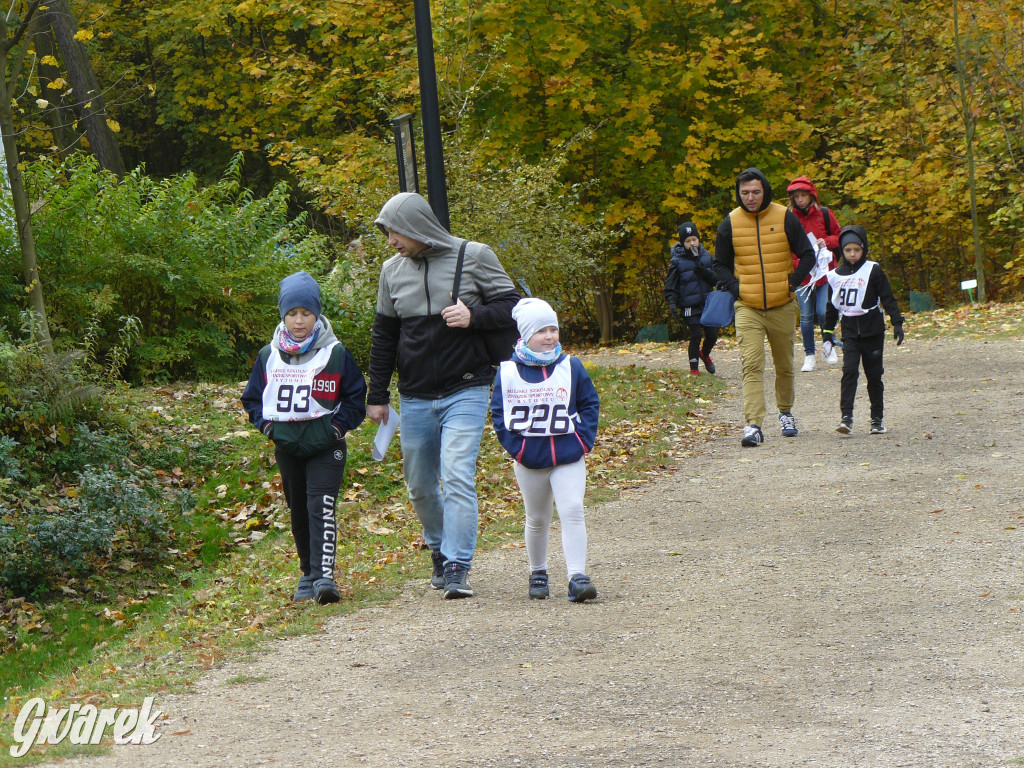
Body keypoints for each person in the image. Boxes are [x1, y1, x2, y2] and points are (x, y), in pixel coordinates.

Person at [366, 192, 519, 599]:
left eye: (395, 230)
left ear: (417, 225)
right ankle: (438, 548)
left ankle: (457, 565)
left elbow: (515, 307)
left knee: (455, 474)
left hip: (467, 386)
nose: (391, 240)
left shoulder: (475, 255)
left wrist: (474, 316)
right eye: (386, 232)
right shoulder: (390, 271)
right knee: (419, 484)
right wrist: (376, 394)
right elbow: (384, 335)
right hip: (414, 394)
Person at [241, 271, 367, 605]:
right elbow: (253, 400)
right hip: (288, 446)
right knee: (298, 510)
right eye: (292, 313)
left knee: (321, 505)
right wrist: (270, 430)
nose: (299, 321)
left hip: (326, 446)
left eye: (306, 314)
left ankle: (325, 577)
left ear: (317, 315)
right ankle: (308, 574)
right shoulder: (268, 355)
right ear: (283, 315)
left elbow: (356, 398)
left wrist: (336, 429)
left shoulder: (336, 353)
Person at [491, 298, 600, 602]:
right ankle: (538, 571)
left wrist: (582, 440)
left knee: (572, 509)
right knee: (537, 518)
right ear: (526, 335)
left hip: (568, 454)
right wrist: (518, 449)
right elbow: (499, 415)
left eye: (554, 329)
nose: (550, 336)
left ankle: (577, 576)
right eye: (542, 331)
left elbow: (589, 403)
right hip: (530, 457)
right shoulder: (509, 371)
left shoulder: (571, 366)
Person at [712, 168, 816, 447]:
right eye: (745, 192)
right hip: (748, 306)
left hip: (782, 304)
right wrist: (736, 287)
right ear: (739, 193)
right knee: (752, 365)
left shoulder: (784, 217)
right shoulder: (730, 222)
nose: (750, 197)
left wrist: (792, 282)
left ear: (765, 190)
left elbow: (807, 255)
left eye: (756, 192)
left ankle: (785, 413)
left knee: (784, 364)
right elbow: (718, 264)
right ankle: (753, 425)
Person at [822, 225, 905, 435]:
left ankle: (877, 418)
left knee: (874, 375)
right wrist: (827, 334)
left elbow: (887, 297)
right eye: (848, 250)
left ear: (863, 249)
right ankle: (846, 417)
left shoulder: (873, 271)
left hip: (872, 332)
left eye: (856, 250)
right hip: (850, 332)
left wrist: (897, 322)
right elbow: (831, 307)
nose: (852, 254)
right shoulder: (834, 276)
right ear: (842, 250)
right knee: (849, 372)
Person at [787, 176, 842, 372]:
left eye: (803, 195)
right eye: (796, 196)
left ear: (812, 196)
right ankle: (809, 355)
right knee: (807, 316)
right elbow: (785, 246)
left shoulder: (825, 214)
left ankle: (829, 345)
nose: (800, 199)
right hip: (802, 274)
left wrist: (826, 241)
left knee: (823, 311)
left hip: (825, 273)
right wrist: (795, 264)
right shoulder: (788, 217)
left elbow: (840, 236)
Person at [663, 221, 720, 375]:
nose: (692, 243)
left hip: (707, 304)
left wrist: (705, 272)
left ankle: (705, 354)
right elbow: (671, 284)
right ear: (683, 243)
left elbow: (717, 280)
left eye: (694, 239)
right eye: (688, 241)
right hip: (689, 305)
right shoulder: (677, 261)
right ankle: (694, 370)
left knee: (712, 336)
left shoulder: (706, 256)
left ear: (698, 239)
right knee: (695, 336)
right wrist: (672, 302)